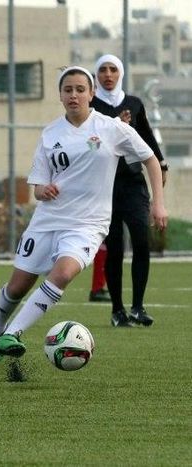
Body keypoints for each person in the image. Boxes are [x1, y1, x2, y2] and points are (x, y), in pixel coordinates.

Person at [0, 66, 167, 362]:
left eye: (80, 89)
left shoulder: (112, 128)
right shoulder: (50, 134)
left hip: (87, 224)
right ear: (60, 95)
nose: (74, 95)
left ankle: (12, 334)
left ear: (92, 93)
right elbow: (38, 186)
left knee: (64, 272)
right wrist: (42, 190)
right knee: (18, 286)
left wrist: (158, 203)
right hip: (48, 220)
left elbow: (151, 159)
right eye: (68, 90)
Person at [92, 54, 169, 327]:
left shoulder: (134, 103)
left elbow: (146, 136)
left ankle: (138, 306)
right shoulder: (92, 105)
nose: (108, 74)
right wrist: (117, 124)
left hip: (134, 184)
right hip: (106, 185)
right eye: (103, 70)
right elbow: (90, 142)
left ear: (121, 73)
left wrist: (161, 163)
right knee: (114, 247)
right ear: (96, 75)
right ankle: (117, 310)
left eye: (113, 69)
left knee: (141, 240)